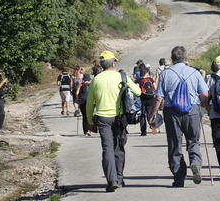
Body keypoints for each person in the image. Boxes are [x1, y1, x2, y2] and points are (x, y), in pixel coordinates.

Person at [148, 46, 209, 187]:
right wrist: (203, 106)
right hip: (192, 110)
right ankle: (195, 164)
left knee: (175, 144)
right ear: (186, 58)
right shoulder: (195, 73)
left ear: (172, 59)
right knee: (193, 141)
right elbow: (205, 94)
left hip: (171, 112)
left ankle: (179, 177)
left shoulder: (165, 74)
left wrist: (153, 114)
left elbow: (158, 98)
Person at [85, 50, 141, 192]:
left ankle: (112, 180)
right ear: (113, 63)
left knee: (107, 149)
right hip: (119, 117)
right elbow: (138, 92)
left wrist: (91, 122)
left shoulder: (96, 80)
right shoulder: (121, 76)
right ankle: (120, 178)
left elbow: (89, 103)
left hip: (103, 119)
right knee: (119, 147)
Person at [136, 65, 157, 136]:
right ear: (146, 72)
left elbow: (136, 90)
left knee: (142, 116)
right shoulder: (150, 79)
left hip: (142, 99)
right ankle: (153, 129)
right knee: (150, 114)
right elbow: (155, 88)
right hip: (151, 99)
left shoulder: (138, 80)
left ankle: (143, 131)